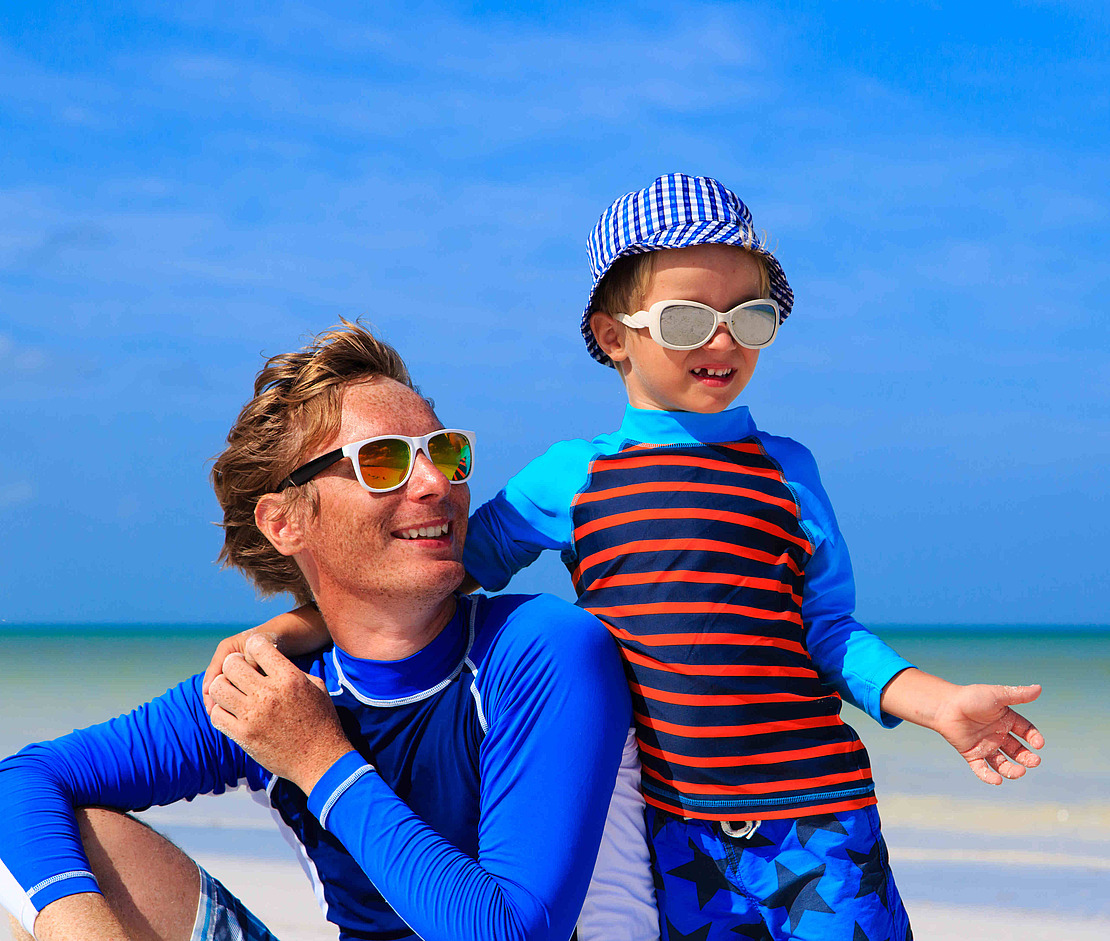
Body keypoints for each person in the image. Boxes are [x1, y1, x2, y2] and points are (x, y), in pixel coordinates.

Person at [206, 175, 1046, 940]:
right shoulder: (573, 478)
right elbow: (438, 581)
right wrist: (301, 626)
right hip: (671, 824)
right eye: (688, 317)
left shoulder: (789, 470)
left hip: (820, 811)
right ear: (614, 336)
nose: (722, 339)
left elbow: (827, 630)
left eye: (750, 316)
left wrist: (939, 705)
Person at [0, 322, 636, 941]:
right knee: (63, 852)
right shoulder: (275, 689)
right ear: (285, 523)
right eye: (383, 461)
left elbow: (511, 932)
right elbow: (21, 781)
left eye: (445, 452)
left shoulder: (540, 648)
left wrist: (318, 760)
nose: (438, 484)